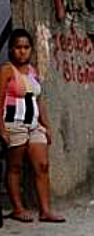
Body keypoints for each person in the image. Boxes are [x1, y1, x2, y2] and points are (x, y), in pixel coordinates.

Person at [0, 28, 64, 223]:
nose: (22, 51)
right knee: (15, 166)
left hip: (34, 125)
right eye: (18, 47)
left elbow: (39, 101)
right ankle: (18, 208)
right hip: (14, 124)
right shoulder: (7, 70)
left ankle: (45, 210)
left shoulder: (33, 71)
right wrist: (1, 128)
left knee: (42, 166)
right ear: (11, 50)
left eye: (26, 47)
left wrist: (46, 125)